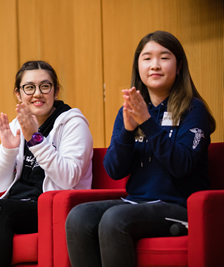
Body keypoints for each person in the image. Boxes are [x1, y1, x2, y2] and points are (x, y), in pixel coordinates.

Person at [65, 30, 216, 267]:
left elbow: (182, 165)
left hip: (179, 206)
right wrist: (127, 130)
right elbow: (114, 170)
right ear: (138, 67)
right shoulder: (130, 110)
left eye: (164, 57)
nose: (155, 65)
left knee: (115, 219)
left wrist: (148, 123)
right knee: (79, 216)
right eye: (147, 58)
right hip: (135, 203)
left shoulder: (193, 110)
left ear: (178, 67)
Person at [0, 60, 93, 266]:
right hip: (17, 203)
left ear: (56, 91)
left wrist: (35, 139)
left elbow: (68, 178)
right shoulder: (17, 124)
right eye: (29, 87)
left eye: (45, 86)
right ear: (18, 94)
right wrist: (8, 149)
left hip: (51, 207)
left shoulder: (72, 123)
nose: (37, 93)